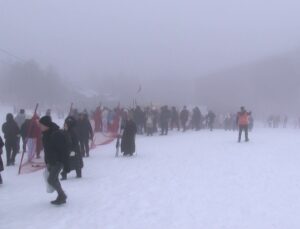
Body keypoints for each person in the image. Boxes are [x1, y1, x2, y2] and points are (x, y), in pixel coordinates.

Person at [39, 116, 68, 205]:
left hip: (58, 161)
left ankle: (62, 195)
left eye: (41, 125)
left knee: (51, 179)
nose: (40, 127)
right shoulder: (45, 133)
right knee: (53, 178)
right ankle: (61, 195)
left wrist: (63, 162)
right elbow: (47, 149)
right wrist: (47, 161)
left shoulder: (56, 134)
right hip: (51, 160)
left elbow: (63, 149)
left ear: (46, 125)